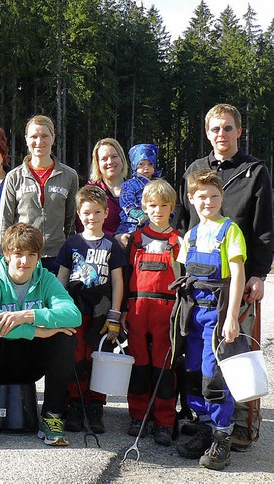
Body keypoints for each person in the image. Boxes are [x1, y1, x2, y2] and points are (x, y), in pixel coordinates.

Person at [176, 103, 273, 451]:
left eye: (228, 128)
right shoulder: (195, 169)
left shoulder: (254, 171)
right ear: (207, 133)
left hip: (236, 276)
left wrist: (259, 274)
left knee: (233, 353)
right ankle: (201, 421)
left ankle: (241, 425)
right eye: (216, 129)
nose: (222, 135)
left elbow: (263, 228)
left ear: (239, 131)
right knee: (198, 358)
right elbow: (184, 223)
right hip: (200, 279)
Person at [0, 223, 80, 446]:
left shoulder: (47, 279)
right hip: (0, 362)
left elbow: (73, 315)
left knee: (67, 337)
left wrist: (28, 315)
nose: (25, 261)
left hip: (33, 363)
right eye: (19, 254)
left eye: (32, 255)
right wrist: (40, 332)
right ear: (6, 254)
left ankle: (52, 416)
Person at [173, 170, 246, 470]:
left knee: (212, 376)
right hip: (191, 315)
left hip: (216, 314)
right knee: (191, 373)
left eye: (214, 196)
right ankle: (202, 428)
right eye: (202, 197)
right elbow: (181, 273)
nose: (209, 202)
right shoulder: (189, 235)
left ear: (222, 197)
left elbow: (238, 273)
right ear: (191, 199)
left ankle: (221, 438)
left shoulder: (229, 231)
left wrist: (232, 317)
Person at [56, 185, 126, 434]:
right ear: (78, 214)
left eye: (97, 212)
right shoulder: (71, 244)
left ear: (106, 213)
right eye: (86, 212)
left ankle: (95, 405)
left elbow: (118, 280)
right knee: (76, 357)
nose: (92, 217)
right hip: (75, 311)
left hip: (102, 312)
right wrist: (59, 310)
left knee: (98, 357)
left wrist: (116, 313)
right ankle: (75, 403)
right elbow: (61, 279)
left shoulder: (112, 246)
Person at [123, 180, 181, 445]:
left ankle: (165, 421)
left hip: (166, 313)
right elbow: (124, 276)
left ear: (172, 207)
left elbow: (185, 280)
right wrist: (123, 308)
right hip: (137, 309)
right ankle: (138, 415)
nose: (158, 210)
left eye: (164, 205)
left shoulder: (178, 241)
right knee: (139, 365)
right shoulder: (136, 239)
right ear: (144, 207)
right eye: (152, 205)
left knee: (164, 367)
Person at [0, 114, 79, 275]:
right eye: (34, 136)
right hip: (23, 256)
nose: (39, 142)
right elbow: (5, 222)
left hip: (57, 257)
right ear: (26, 138)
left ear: (53, 138)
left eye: (44, 136)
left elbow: (71, 222)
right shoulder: (14, 177)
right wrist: (4, 257)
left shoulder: (69, 176)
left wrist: (69, 253)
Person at [76, 139, 129, 243]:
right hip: (101, 253)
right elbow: (83, 229)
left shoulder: (137, 190)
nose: (110, 162)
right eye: (104, 159)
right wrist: (114, 239)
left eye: (114, 156)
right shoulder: (90, 193)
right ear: (97, 164)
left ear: (122, 159)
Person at [117, 143, 161, 235]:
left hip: (155, 223)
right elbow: (127, 201)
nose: (146, 168)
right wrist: (138, 214)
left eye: (150, 164)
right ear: (135, 166)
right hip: (132, 225)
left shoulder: (160, 184)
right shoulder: (130, 185)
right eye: (141, 164)